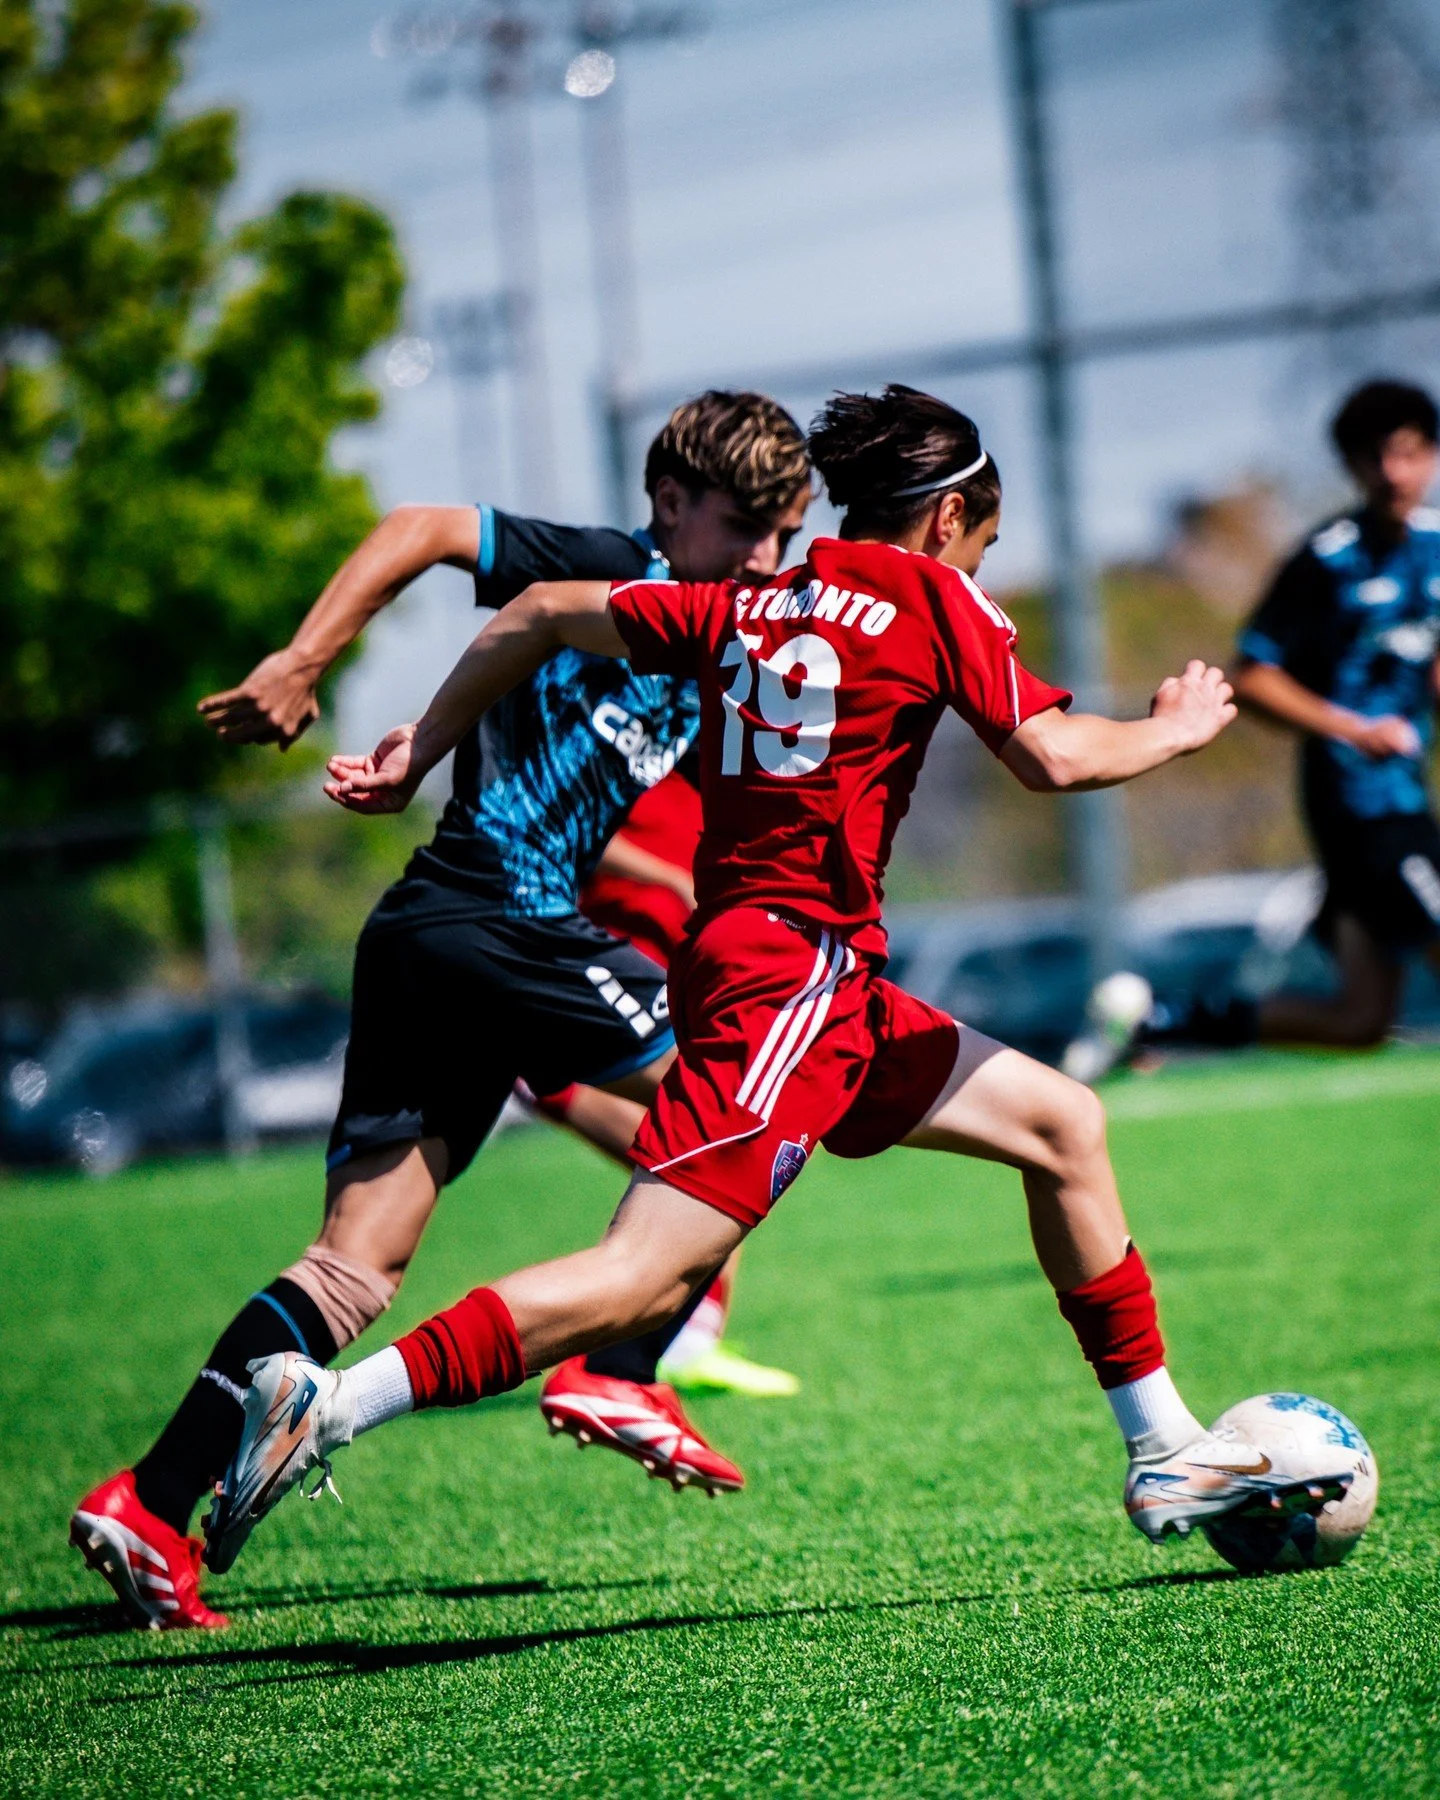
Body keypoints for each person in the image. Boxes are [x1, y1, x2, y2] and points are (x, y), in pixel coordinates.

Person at [213, 383, 1351, 1576]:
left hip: (796, 978)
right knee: (638, 1276)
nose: (979, 562)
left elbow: (543, 611)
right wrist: (1175, 725)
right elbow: (1055, 755)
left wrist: (418, 751)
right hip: (791, 988)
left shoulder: (751, 597)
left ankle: (1164, 1442)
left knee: (1063, 1122)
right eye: (985, 542)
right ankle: (333, 1406)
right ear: (950, 514)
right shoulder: (928, 593)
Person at [68, 391, 811, 1631]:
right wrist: (307, 662)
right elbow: (419, 526)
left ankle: (151, 1502)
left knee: (353, 1269)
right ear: (671, 503)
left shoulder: (715, 629)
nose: (765, 563)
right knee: (753, 1109)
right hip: (494, 920)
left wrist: (428, 740)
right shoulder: (601, 567)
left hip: (432, 937)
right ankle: (619, 1368)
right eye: (745, 529)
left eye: (785, 536)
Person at [1074, 379, 1440, 1071]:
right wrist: (1351, 728)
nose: (1396, 473)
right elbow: (1254, 673)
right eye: (1378, 457)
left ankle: (1158, 1022)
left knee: (1360, 1018)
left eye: (1412, 454)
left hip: (1409, 796)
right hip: (1360, 805)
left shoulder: (1435, 546)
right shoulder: (1326, 559)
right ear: (1354, 466)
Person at [533, 769, 802, 1400]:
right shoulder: (625, 748)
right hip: (587, 1030)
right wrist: (668, 876)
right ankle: (616, 1358)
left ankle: (672, 1346)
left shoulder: (717, 759)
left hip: (652, 1020)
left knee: (725, 1148)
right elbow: (564, 837)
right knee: (712, 1157)